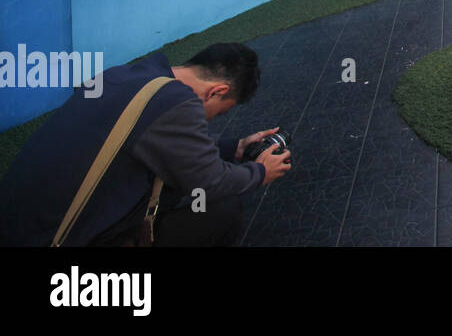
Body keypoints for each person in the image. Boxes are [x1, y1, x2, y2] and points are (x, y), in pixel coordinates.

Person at [0, 43, 291, 247]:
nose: (214, 117)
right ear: (217, 91)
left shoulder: (122, 76)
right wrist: (259, 172)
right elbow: (209, 183)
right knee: (221, 213)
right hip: (61, 242)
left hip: (19, 228)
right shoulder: (179, 103)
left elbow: (159, 141)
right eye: (222, 111)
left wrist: (234, 147)